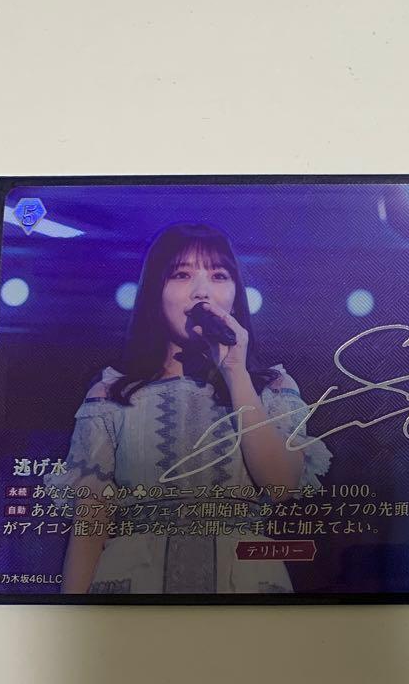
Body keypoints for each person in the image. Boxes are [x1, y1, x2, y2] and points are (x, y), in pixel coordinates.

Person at [46, 224, 332, 594]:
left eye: (218, 276)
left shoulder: (271, 387)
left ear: (235, 296)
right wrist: (75, 619)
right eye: (182, 275)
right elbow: (90, 525)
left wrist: (235, 372)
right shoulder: (112, 394)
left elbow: (281, 485)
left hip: (243, 587)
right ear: (155, 291)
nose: (201, 292)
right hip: (136, 587)